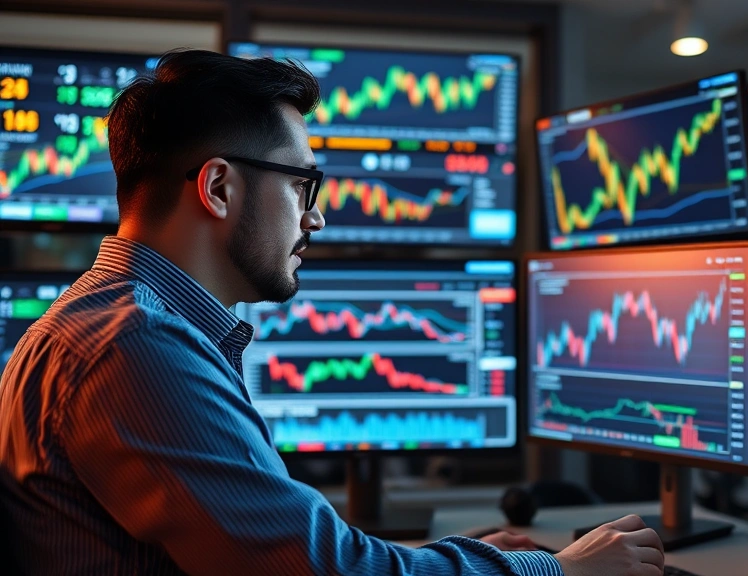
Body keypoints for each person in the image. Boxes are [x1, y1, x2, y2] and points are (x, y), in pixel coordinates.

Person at [0, 49, 665, 576]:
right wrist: (557, 572)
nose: (315, 216)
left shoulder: (110, 324)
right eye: (302, 185)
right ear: (220, 186)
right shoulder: (134, 348)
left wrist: (462, 560)